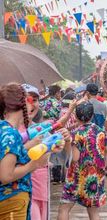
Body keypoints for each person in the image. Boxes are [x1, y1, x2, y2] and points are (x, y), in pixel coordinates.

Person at [0, 83, 65, 219]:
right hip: (12, 200)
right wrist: (33, 165)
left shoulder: (4, 129)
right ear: (23, 104)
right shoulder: (11, 134)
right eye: (28, 100)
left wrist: (48, 147)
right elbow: (6, 175)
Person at [58, 102, 107, 220]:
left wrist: (68, 145)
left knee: (64, 208)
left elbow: (75, 158)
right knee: (93, 211)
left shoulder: (75, 134)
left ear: (76, 117)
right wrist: (103, 166)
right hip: (95, 177)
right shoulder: (100, 131)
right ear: (92, 115)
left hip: (76, 177)